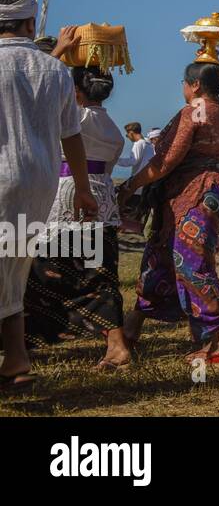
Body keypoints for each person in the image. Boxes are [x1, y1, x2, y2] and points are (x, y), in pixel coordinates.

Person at [0, 0, 94, 392]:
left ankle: (17, 358)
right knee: (13, 269)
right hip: (39, 182)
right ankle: (16, 360)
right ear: (29, 24)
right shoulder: (55, 71)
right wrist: (84, 190)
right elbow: (71, 137)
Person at [121, 60, 219, 365]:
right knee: (160, 256)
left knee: (192, 263)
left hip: (197, 193)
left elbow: (167, 159)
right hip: (208, 191)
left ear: (195, 85)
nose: (183, 88)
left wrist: (132, 184)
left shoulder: (197, 109)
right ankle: (131, 329)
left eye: (185, 83)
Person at [23, 57, 128, 369]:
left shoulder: (73, 118)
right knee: (98, 273)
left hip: (68, 197)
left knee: (44, 270)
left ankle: (30, 342)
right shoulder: (113, 129)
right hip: (102, 199)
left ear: (75, 91)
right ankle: (116, 344)